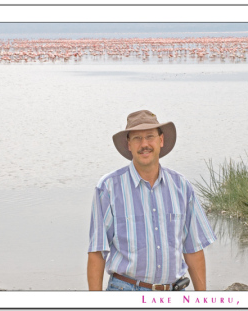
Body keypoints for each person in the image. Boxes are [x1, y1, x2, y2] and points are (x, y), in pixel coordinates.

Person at [87, 110, 216, 291]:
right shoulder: (108, 188)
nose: (144, 144)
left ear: (161, 140)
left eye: (150, 136)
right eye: (137, 138)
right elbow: (97, 252)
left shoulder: (181, 186)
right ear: (128, 145)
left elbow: (193, 249)